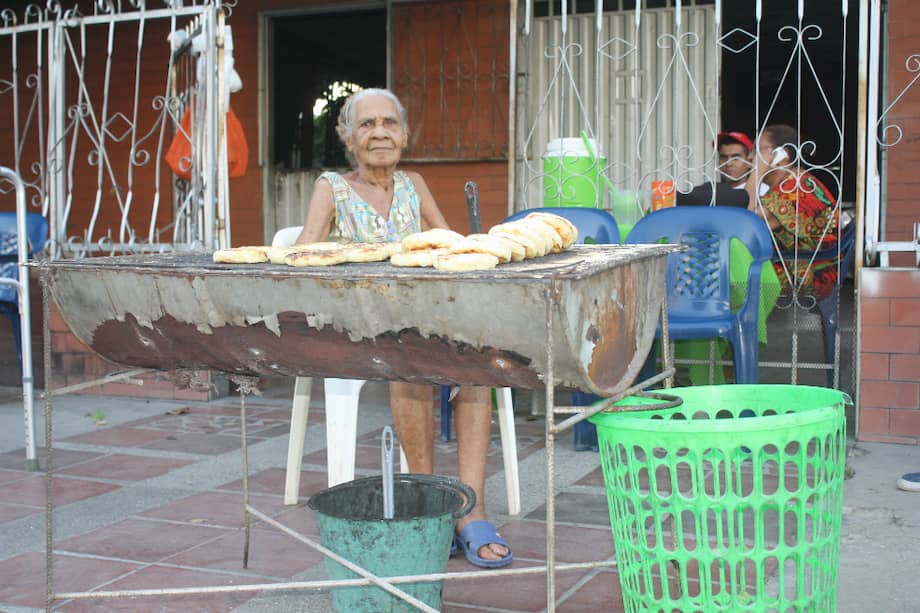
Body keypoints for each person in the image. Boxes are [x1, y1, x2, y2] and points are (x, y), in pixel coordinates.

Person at [296, 88, 513, 568]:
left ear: (404, 134)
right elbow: (303, 255)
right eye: (367, 124)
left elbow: (450, 245)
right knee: (407, 363)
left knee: (477, 365)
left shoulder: (413, 183)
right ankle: (431, 500)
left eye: (389, 124)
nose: (379, 133)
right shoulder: (331, 186)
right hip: (362, 322)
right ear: (348, 138)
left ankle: (471, 506)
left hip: (424, 313)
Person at [746, 123, 840, 300]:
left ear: (781, 155)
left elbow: (744, 223)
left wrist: (756, 173)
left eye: (759, 150)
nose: (751, 157)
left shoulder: (794, 189)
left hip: (810, 273)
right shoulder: (792, 183)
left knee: (734, 274)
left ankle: (744, 325)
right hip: (797, 263)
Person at [676, 131, 754, 208]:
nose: (728, 163)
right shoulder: (711, 191)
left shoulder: (762, 192)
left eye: (735, 158)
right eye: (723, 157)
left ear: (749, 162)